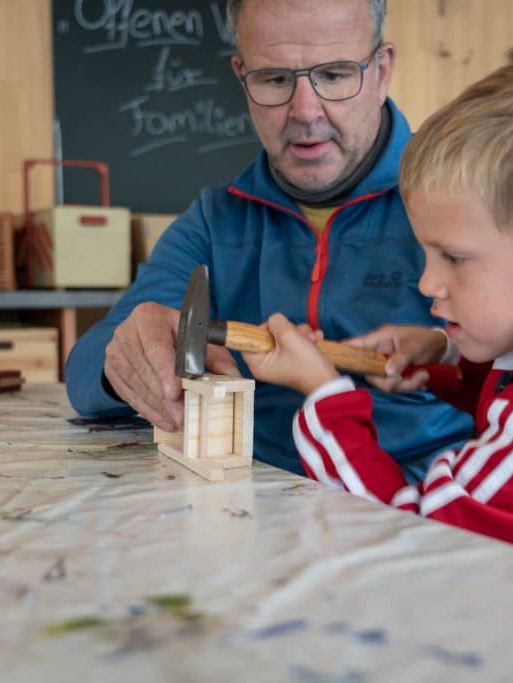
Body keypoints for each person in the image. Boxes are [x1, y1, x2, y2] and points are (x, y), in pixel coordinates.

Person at [242, 50, 513, 595]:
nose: (428, 284)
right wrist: (444, 360)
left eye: (452, 258)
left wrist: (323, 393)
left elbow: (404, 538)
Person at [65, 0, 473, 478]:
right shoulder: (215, 222)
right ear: (242, 77)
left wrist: (446, 345)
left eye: (336, 75)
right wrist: (128, 355)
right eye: (275, 80)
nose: (305, 110)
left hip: (434, 513)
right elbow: (85, 371)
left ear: (382, 71)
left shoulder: (467, 199)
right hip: (258, 508)